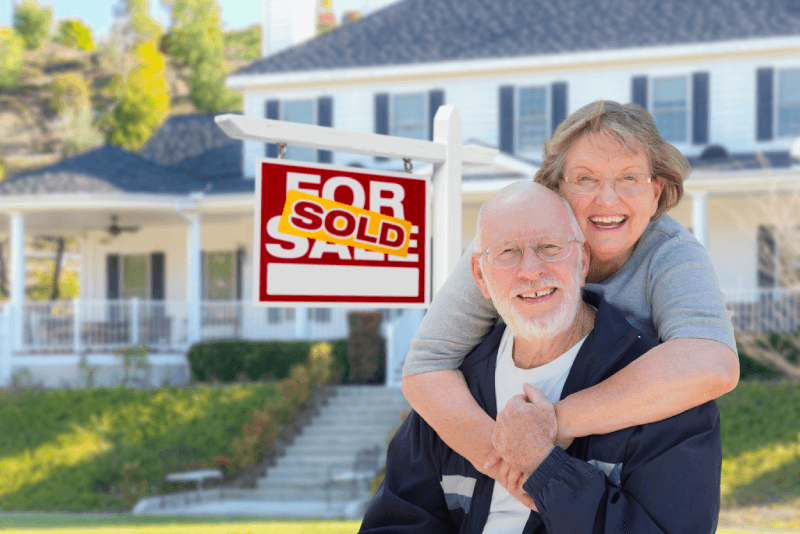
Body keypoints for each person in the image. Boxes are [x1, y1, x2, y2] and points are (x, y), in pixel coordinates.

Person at [401, 100, 738, 492]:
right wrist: (507, 466)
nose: (607, 200)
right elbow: (426, 365)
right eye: (585, 179)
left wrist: (553, 422)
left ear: (656, 191)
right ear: (555, 188)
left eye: (629, 178)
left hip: (625, 463)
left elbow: (713, 361)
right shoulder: (505, 245)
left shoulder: (671, 253)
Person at [359, 182, 722, 534]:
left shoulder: (665, 395)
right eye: (507, 252)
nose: (530, 270)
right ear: (479, 276)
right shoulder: (454, 395)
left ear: (582, 262)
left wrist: (547, 471)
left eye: (550, 247)